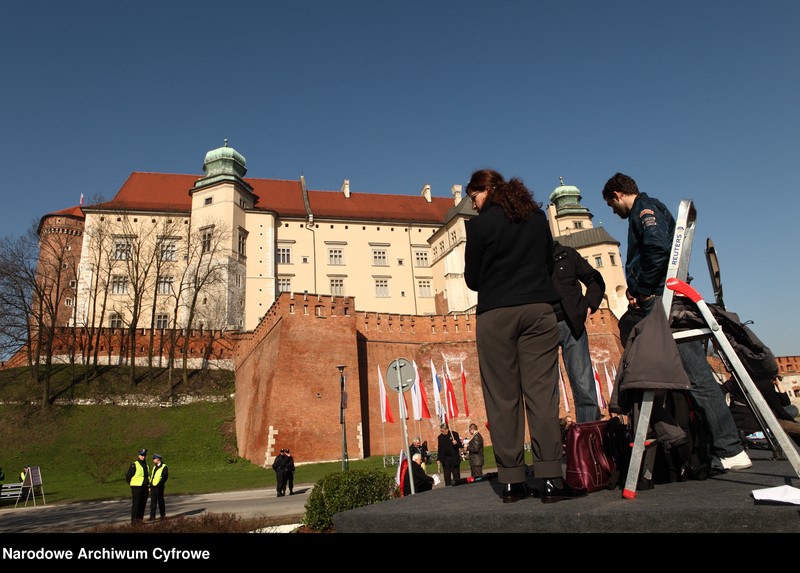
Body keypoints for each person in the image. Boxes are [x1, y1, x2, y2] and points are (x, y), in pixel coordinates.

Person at [602, 172, 752, 471]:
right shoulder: (649, 208)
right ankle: (719, 447)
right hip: (663, 301)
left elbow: (658, 250)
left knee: (694, 376)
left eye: (610, 204)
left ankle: (730, 449)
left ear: (617, 195)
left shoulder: (644, 210)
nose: (613, 211)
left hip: (662, 305)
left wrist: (642, 289)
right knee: (689, 377)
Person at [464, 168, 587, 504]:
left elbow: (472, 279)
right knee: (543, 395)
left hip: (496, 315)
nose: (472, 205)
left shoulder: (478, 226)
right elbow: (548, 260)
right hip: (538, 311)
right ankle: (550, 478)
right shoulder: (535, 218)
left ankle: (511, 482)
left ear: (486, 190)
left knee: (502, 399)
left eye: (473, 197)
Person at [552, 240, 606, 422]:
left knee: (584, 388)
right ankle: (552, 446)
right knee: (546, 394)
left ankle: (589, 441)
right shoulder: (529, 258)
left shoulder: (566, 254)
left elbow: (594, 278)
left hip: (572, 325)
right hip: (542, 327)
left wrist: (589, 304)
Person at [125, 448, 150, 524]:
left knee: (142, 504)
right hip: (136, 488)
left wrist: (148, 486)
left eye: (144, 455)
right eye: (142, 455)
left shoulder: (147, 464)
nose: (143, 457)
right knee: (136, 504)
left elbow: (147, 476)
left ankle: (140, 520)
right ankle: (134, 522)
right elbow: (128, 476)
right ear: (139, 456)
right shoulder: (134, 464)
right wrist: (132, 484)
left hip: (145, 487)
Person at [148, 453, 168, 521]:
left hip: (160, 487)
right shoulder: (154, 466)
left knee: (160, 501)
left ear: (157, 459)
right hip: (153, 486)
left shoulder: (164, 466)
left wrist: (160, 484)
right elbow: (152, 476)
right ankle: (152, 516)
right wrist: (150, 486)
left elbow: (165, 477)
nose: (153, 460)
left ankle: (162, 515)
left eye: (154, 459)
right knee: (153, 502)